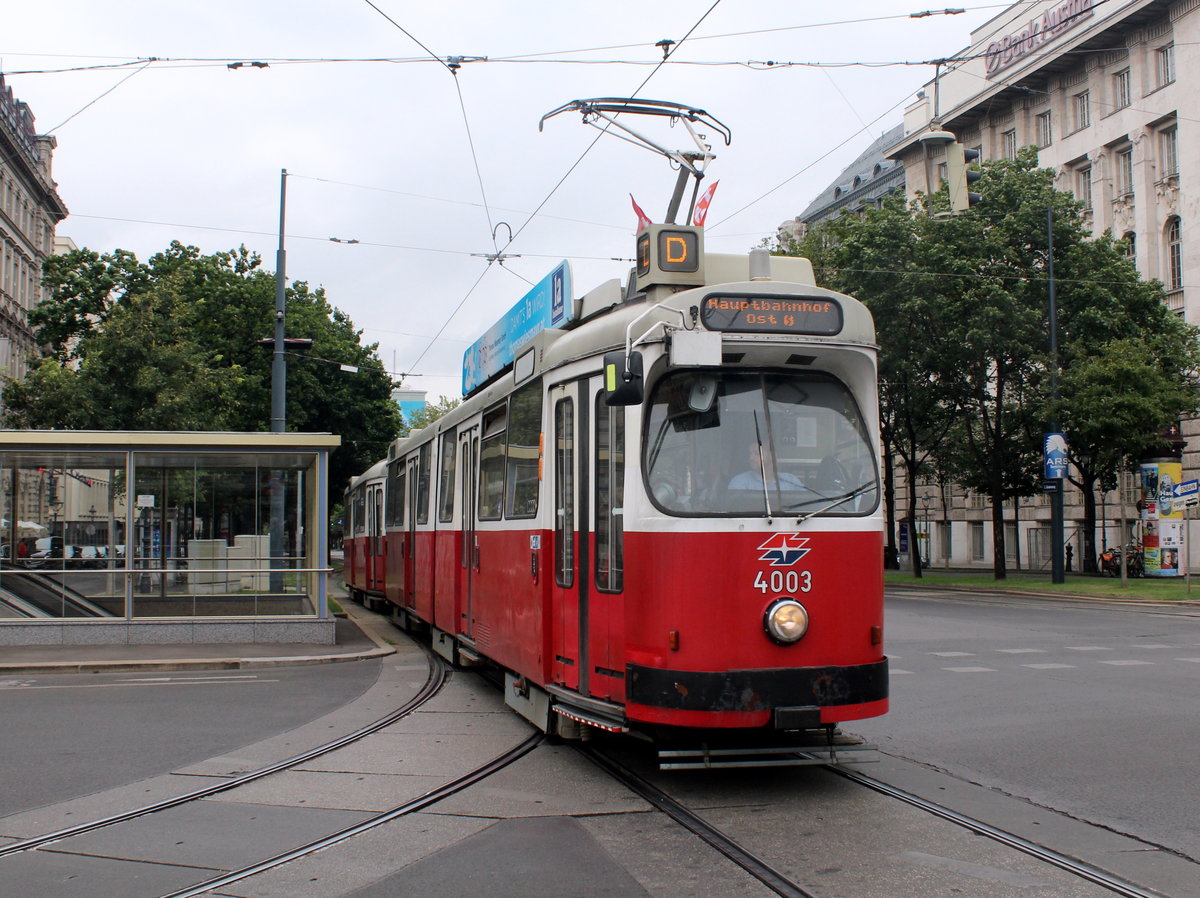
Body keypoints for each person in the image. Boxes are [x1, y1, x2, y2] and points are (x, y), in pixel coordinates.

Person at [729, 443, 805, 491]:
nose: (751, 458)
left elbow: (805, 505)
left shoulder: (790, 480)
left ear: (772, 456)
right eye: (750, 454)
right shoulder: (740, 482)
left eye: (757, 454)